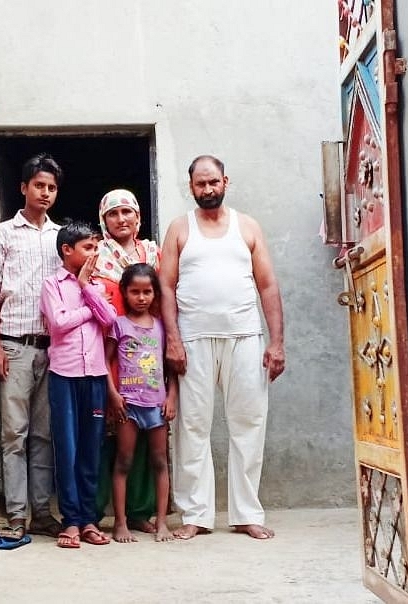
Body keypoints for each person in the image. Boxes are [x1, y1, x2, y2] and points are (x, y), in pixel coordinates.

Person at [159, 155, 285, 540]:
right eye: (200, 184)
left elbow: (267, 285)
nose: (208, 190)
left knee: (248, 423)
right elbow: (166, 285)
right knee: (192, 426)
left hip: (245, 336)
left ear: (225, 181)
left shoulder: (247, 227)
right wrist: (174, 340)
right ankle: (196, 514)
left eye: (213, 182)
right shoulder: (180, 229)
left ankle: (247, 513)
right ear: (191, 186)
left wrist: (276, 341)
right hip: (194, 339)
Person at [0, 153, 64, 541]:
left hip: (54, 349)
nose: (45, 193)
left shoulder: (59, 237)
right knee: (14, 433)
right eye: (38, 186)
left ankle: (43, 512)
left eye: (51, 187)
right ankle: (17, 516)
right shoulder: (2, 234)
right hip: (14, 346)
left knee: (44, 435)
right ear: (23, 188)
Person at [39, 221, 117, 548]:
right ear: (67, 250)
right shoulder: (51, 284)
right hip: (64, 376)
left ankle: (88, 519)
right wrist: (89, 308)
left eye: (96, 248)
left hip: (95, 376)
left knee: (90, 449)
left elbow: (110, 319)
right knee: (67, 448)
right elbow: (58, 324)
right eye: (88, 247)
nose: (94, 254)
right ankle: (70, 520)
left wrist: (86, 289)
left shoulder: (97, 286)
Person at [93, 189, 161, 534]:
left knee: (148, 434)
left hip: (146, 358)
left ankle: (139, 510)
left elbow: (164, 300)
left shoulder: (153, 252)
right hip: (109, 352)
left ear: (138, 217)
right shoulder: (96, 255)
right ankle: (96, 511)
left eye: (127, 212)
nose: (121, 219)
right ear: (104, 220)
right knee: (108, 433)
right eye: (113, 213)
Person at [105, 263, 177, 543]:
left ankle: (161, 522)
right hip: (128, 407)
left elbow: (171, 368)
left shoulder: (161, 327)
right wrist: (112, 395)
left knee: (160, 461)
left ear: (155, 294)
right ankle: (120, 523)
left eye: (147, 292)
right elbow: (105, 360)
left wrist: (171, 397)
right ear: (124, 292)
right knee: (123, 461)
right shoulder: (119, 325)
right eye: (135, 292)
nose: (141, 297)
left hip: (157, 406)